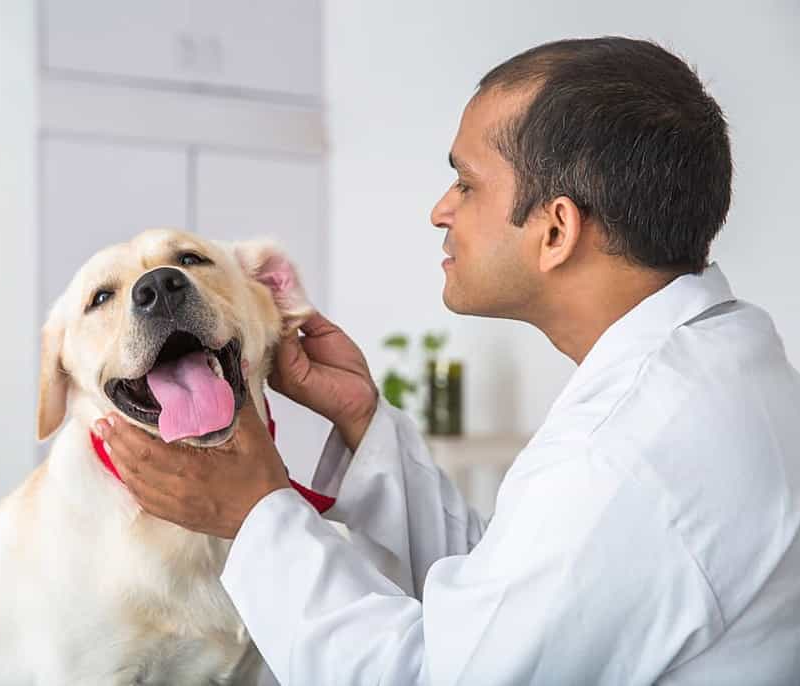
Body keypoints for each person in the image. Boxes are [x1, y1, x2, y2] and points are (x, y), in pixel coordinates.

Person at [94, 37, 800, 684]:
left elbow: (438, 675)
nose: (440, 209)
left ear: (554, 230)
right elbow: (512, 605)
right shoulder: (719, 358)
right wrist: (362, 422)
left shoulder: (624, 455)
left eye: (465, 182)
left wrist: (255, 515)